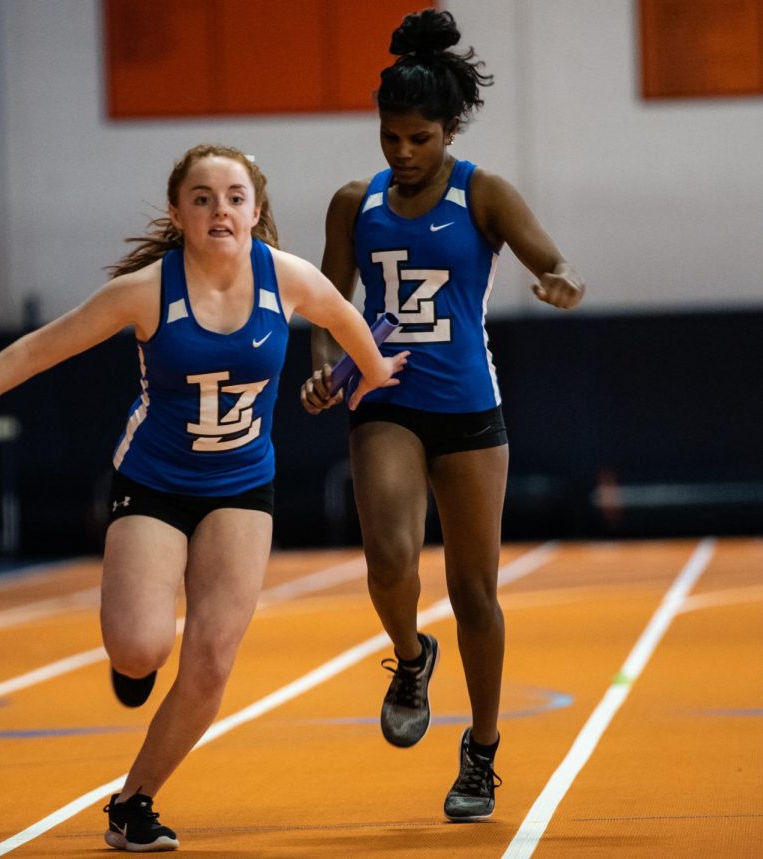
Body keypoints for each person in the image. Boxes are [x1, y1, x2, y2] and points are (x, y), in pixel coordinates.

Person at [0, 143, 408, 852]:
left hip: (242, 486)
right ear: (178, 211)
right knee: (139, 648)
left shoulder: (288, 280)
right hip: (155, 482)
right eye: (202, 197)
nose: (219, 209)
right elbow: (40, 348)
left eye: (233, 196)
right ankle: (133, 662)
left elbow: (347, 318)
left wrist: (373, 372)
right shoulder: (145, 291)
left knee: (213, 659)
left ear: (256, 209)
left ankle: (134, 800)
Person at [300, 9, 585, 822]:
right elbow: (326, 308)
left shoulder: (483, 193)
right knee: (389, 560)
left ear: (448, 128)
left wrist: (563, 283)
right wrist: (324, 372)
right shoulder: (356, 203)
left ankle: (483, 751)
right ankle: (409, 655)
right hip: (385, 399)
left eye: (419, 138)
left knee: (474, 590)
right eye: (391, 137)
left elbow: (553, 262)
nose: (403, 153)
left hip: (468, 406)